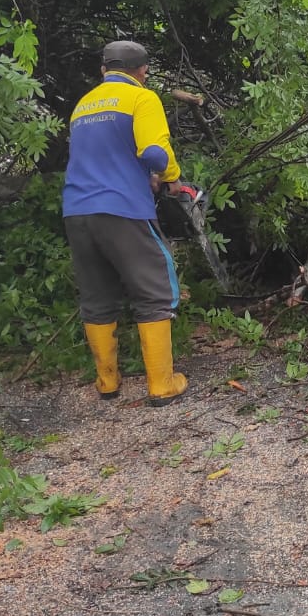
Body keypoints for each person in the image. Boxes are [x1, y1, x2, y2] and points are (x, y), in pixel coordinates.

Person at [62, 40, 202, 407]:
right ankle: (162, 384)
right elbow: (154, 153)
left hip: (76, 211)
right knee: (154, 285)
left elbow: (104, 156)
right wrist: (171, 177)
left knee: (96, 294)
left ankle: (107, 382)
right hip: (122, 209)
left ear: (104, 70)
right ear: (141, 72)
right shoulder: (142, 98)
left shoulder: (83, 106)